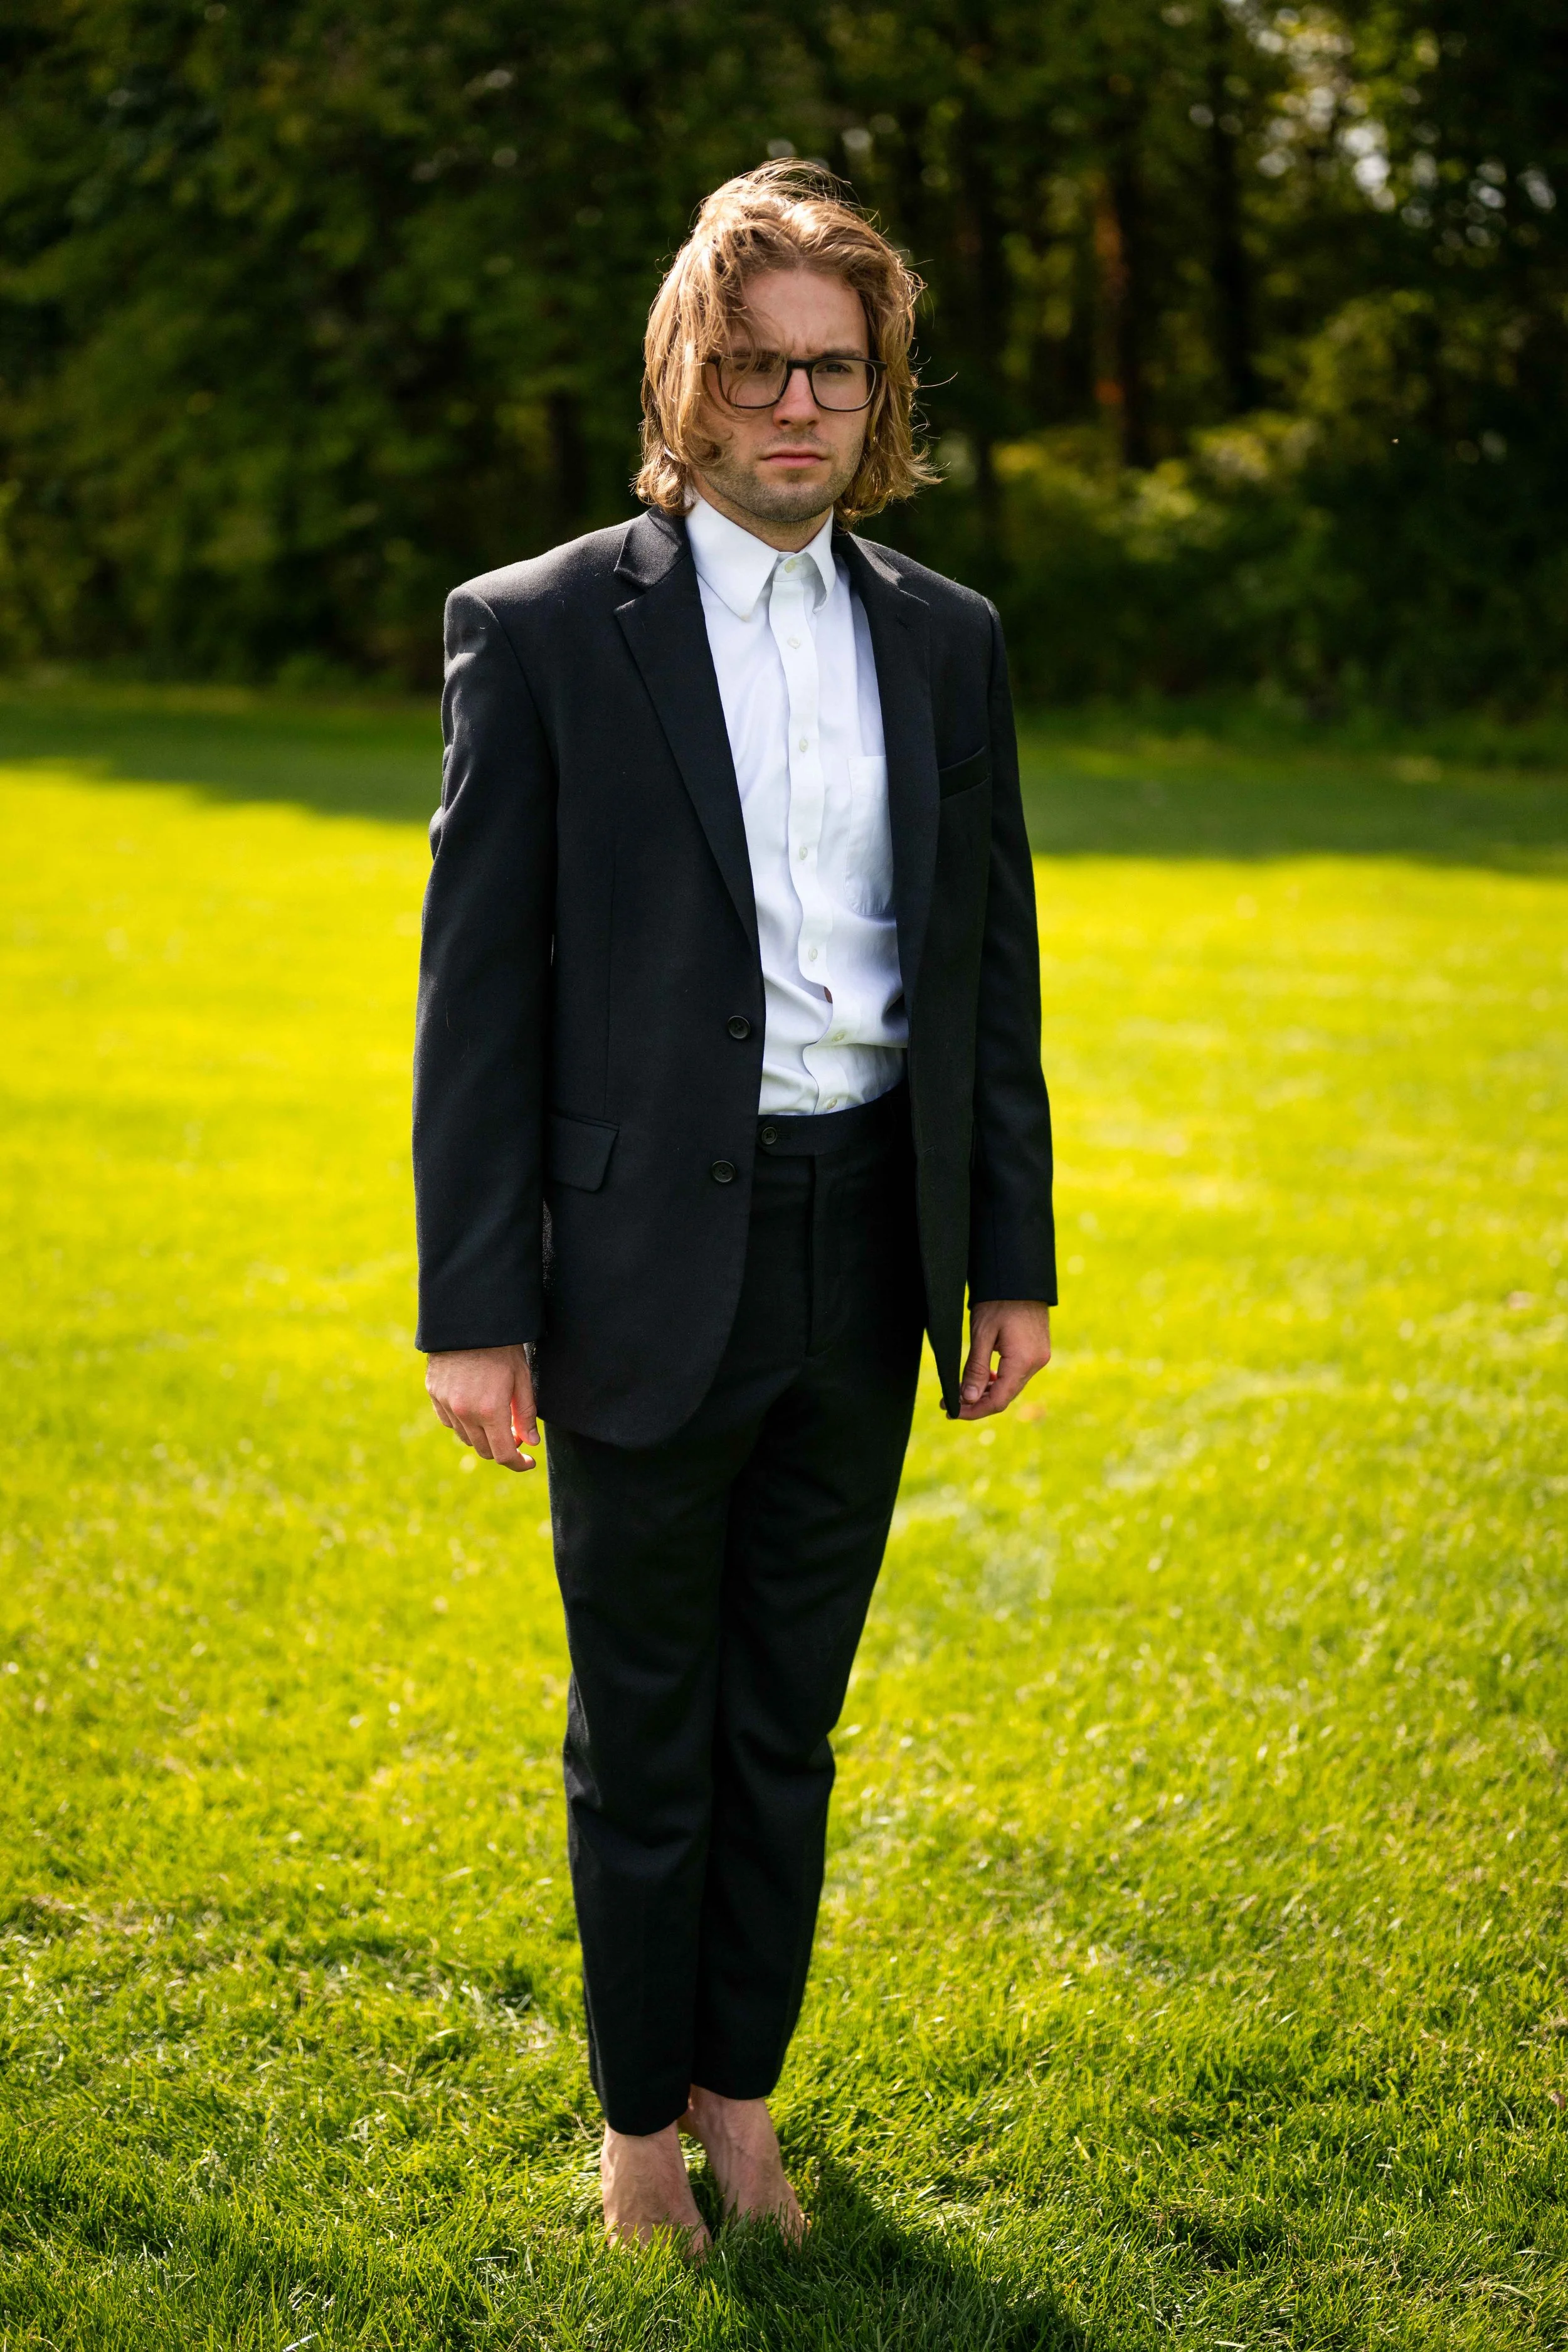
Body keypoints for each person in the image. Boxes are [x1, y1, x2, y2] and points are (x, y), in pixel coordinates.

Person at [412, 161, 1056, 2254]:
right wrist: (473, 1304)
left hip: (867, 1246)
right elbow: (476, 994)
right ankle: (632, 2125)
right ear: (683, 380)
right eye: (758, 368)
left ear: (881, 396)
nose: (797, 407)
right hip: (634, 1265)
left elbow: (987, 969)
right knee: (647, 1731)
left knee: (787, 1718)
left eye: (835, 372)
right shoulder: (540, 629)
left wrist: (1010, 1260)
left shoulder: (944, 639)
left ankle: (741, 2094)